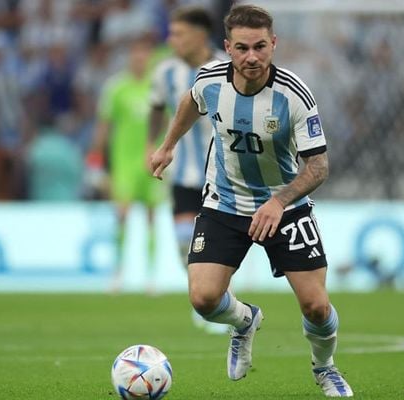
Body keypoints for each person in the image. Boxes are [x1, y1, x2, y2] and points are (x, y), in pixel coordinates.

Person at [150, 4, 353, 398]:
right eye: (242, 48)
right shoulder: (210, 80)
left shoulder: (294, 95)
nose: (252, 57)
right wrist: (167, 145)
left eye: (260, 46)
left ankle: (325, 368)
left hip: (286, 208)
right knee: (203, 299)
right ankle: (244, 321)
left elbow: (318, 168)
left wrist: (279, 201)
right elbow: (190, 102)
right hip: (225, 203)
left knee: (316, 307)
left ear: (273, 43)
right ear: (227, 47)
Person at [148, 6, 228, 334]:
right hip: (183, 171)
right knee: (186, 240)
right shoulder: (164, 72)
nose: (172, 40)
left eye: (178, 34)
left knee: (221, 243)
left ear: (200, 35)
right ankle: (204, 298)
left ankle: (220, 296)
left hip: (224, 173)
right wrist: (151, 145)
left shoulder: (227, 66)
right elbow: (155, 108)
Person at [88, 37, 163, 292]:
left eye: (144, 54)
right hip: (124, 164)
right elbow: (103, 127)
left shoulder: (158, 87)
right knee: (122, 216)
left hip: (152, 163)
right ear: (130, 57)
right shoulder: (116, 88)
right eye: (136, 54)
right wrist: (96, 164)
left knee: (152, 217)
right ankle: (118, 272)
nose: (140, 59)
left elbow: (170, 121)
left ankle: (151, 277)